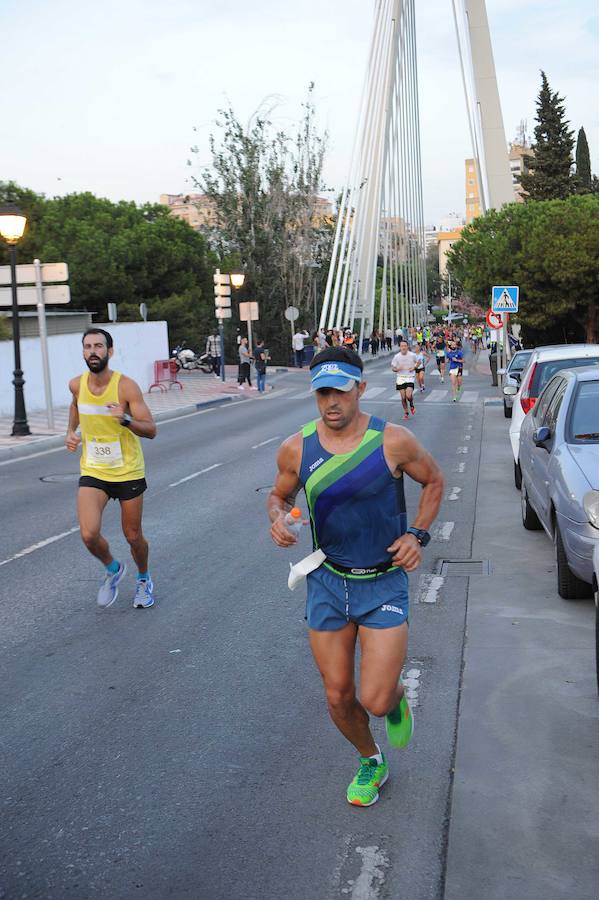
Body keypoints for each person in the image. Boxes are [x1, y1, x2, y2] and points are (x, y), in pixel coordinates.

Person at [268, 347, 443, 806]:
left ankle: (394, 696)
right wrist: (279, 518)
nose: (331, 402)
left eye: (340, 392)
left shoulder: (394, 441)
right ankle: (371, 760)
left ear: (360, 389)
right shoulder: (296, 448)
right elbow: (278, 495)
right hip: (327, 581)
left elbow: (435, 481)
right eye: (323, 392)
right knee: (338, 695)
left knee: (377, 700)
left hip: (382, 581)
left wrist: (417, 535)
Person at [65, 328, 157, 609]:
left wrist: (126, 418)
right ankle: (113, 568)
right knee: (88, 534)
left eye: (99, 346)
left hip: (127, 471)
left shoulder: (126, 387)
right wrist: (71, 431)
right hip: (94, 470)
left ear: (110, 351)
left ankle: (143, 578)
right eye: (87, 346)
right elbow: (76, 407)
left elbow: (151, 430)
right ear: (83, 352)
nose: (93, 351)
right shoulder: (76, 385)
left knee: (132, 535)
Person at [391, 340, 418, 420]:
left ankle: (412, 404)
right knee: (403, 398)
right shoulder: (397, 356)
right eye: (402, 346)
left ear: (407, 347)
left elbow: (418, 362)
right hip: (400, 378)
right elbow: (393, 367)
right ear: (400, 347)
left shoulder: (412, 355)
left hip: (410, 377)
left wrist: (414, 367)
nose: (403, 347)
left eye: (405, 346)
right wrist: (397, 369)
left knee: (408, 395)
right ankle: (406, 412)